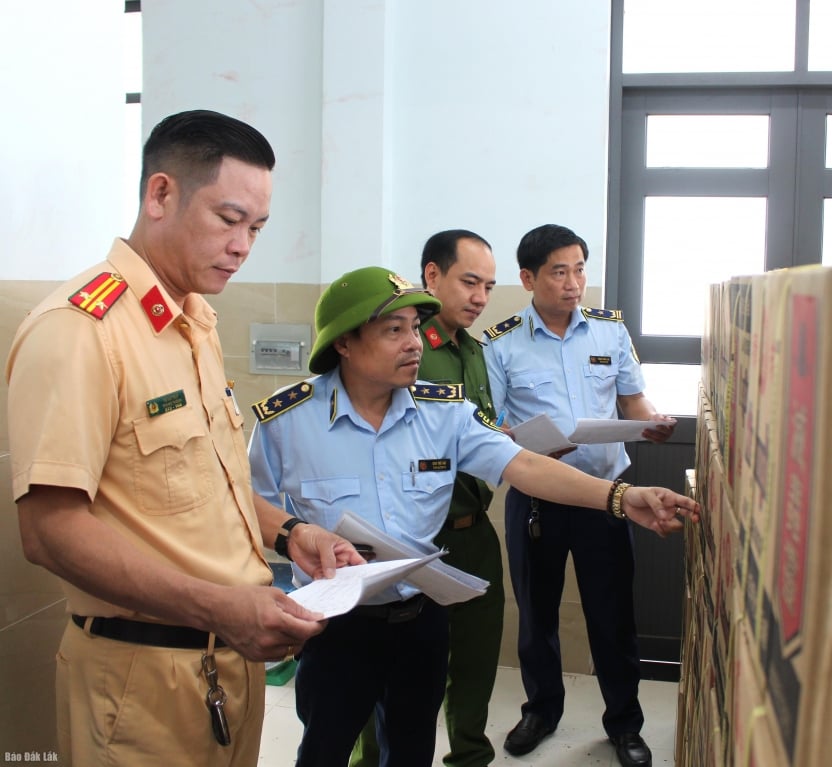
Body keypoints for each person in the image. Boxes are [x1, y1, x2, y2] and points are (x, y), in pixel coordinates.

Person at [5, 109, 362, 767]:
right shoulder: (81, 330)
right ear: (160, 194)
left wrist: (291, 534)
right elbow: (49, 529)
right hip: (139, 681)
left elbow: (208, 481)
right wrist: (221, 605)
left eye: (256, 228)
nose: (243, 245)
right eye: (229, 220)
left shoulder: (192, 321)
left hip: (225, 666)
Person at [247, 266, 697, 767]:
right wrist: (290, 544)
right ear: (344, 344)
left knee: (412, 746)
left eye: (416, 328)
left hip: (420, 618)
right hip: (336, 627)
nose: (414, 343)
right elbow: (247, 506)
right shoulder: (287, 422)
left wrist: (620, 496)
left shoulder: (444, 413)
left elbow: (523, 465)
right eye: (394, 331)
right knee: (326, 749)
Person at [482, 224, 676, 767]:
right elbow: (491, 425)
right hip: (536, 502)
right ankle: (541, 711)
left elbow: (633, 402)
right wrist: (524, 446)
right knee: (536, 614)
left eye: (580, 269)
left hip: (607, 499)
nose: (574, 284)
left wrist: (651, 422)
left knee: (612, 617)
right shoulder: (500, 343)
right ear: (528, 278)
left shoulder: (609, 333)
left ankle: (625, 726)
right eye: (559, 272)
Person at [351, 230, 502, 767]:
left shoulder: (477, 353)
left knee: (477, 655)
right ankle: (371, 757)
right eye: (469, 282)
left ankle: (469, 754)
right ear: (431, 276)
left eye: (488, 285)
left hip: (474, 531)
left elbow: (480, 431)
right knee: (389, 669)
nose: (480, 297)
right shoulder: (398, 352)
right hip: (414, 536)